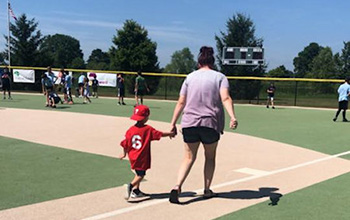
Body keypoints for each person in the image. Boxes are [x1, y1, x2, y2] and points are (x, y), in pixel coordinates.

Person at [168, 46, 238, 204]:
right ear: (212, 62)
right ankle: (207, 190)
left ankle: (177, 186)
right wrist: (232, 117)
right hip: (210, 123)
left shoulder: (190, 77)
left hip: (189, 123)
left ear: (199, 62)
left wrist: (172, 123)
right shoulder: (220, 77)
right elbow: (226, 98)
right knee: (210, 157)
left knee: (188, 157)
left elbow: (181, 102)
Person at [119, 105, 175, 200]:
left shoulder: (130, 130)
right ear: (145, 118)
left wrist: (124, 153)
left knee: (137, 172)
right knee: (141, 175)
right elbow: (160, 134)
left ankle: (136, 191)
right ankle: (130, 186)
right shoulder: (147, 129)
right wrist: (170, 133)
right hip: (141, 156)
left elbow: (125, 143)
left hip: (132, 155)